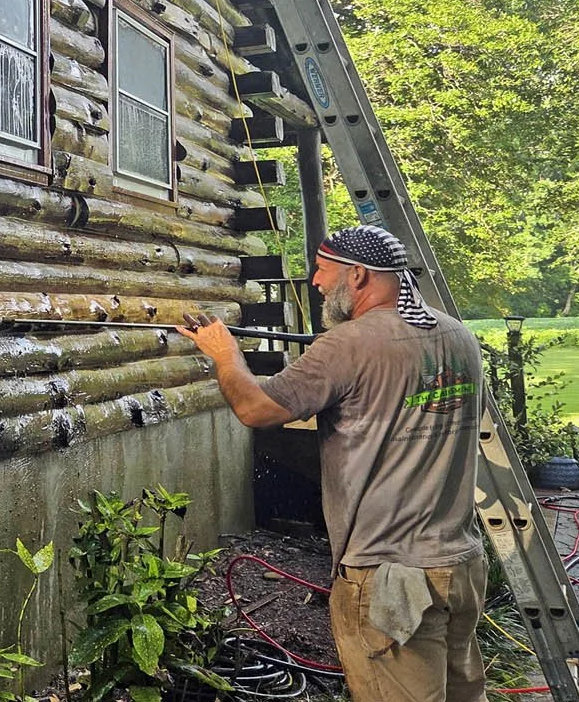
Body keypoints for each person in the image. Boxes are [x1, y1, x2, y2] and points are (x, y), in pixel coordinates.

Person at [179, 224, 486, 702]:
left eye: (323, 271)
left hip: (390, 576)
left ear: (358, 275)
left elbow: (257, 410)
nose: (317, 283)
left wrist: (225, 355)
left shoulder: (348, 345)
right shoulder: (458, 336)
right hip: (460, 566)